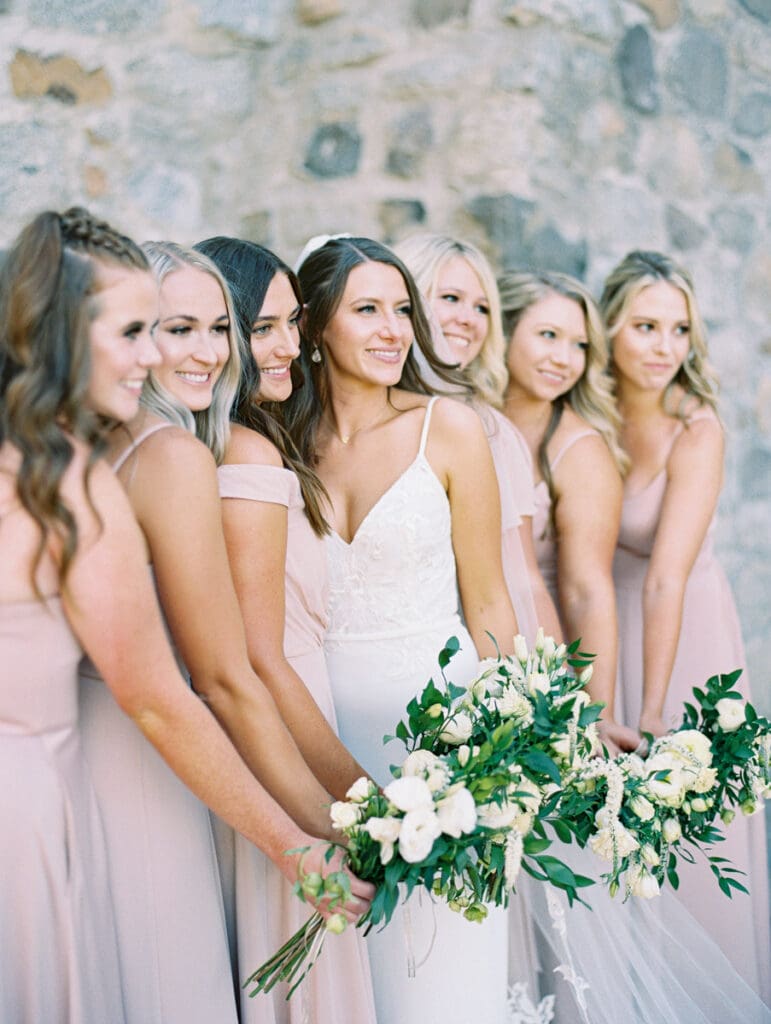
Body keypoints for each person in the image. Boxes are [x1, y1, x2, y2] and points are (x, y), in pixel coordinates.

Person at [71, 223, 371, 1024]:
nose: (210, 351)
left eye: (216, 328)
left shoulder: (88, 441)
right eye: (176, 329)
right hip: (142, 767)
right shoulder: (167, 456)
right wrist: (334, 826)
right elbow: (225, 675)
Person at [285, 235, 519, 1024]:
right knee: (351, 972)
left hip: (442, 734)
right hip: (316, 732)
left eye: (400, 311)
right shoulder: (281, 446)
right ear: (314, 326)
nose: (393, 330)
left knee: (442, 969)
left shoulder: (446, 429)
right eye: (366, 311)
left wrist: (496, 752)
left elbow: (488, 605)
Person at [600, 249, 771, 1000]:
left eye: (677, 329)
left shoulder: (694, 431)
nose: (664, 346)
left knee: (682, 825)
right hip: (605, 622)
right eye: (644, 326)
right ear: (606, 330)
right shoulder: (586, 418)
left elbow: (665, 574)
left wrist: (650, 715)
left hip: (680, 633)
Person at [498, 270, 638, 755]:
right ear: (505, 331)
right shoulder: (466, 417)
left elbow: (587, 590)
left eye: (579, 344)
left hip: (546, 657)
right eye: (548, 336)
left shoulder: (579, 450)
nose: (564, 358)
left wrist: (596, 713)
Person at [396, 232, 561, 645]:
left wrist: (557, 692)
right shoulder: (344, 421)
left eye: (482, 307)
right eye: (450, 298)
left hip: (470, 658)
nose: (469, 319)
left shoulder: (491, 431)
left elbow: (524, 579)